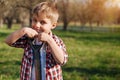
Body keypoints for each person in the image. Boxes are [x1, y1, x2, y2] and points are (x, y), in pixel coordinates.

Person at [5, 1, 68, 80]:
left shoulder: (56, 41)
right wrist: (23, 31)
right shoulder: (27, 39)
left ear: (53, 25)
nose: (37, 25)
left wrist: (50, 41)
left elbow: (62, 60)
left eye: (42, 22)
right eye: (34, 20)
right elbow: (8, 41)